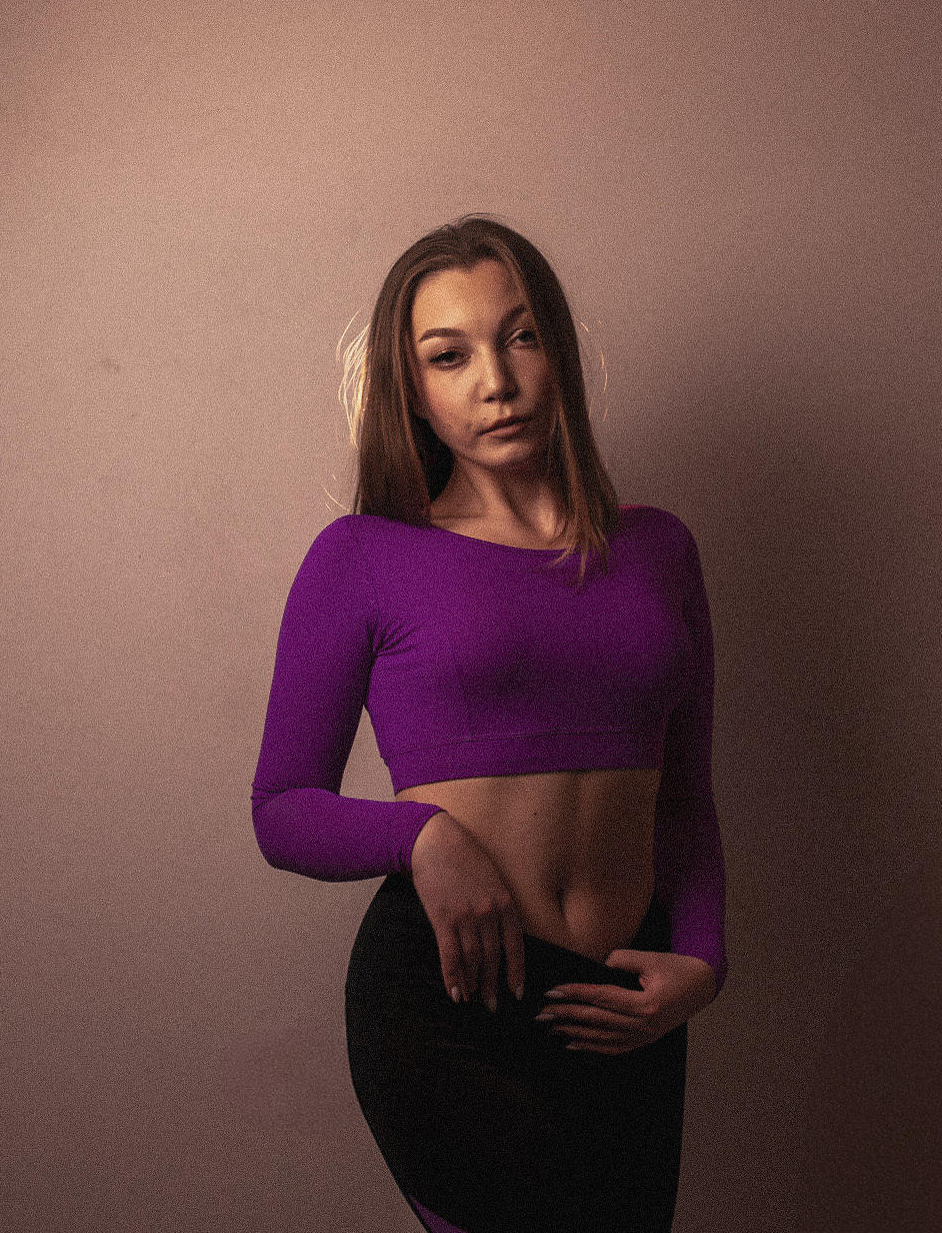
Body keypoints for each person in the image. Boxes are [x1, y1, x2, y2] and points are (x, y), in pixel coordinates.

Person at [250, 216, 728, 1233]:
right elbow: (281, 807)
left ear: (558, 350)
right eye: (449, 355)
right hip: (450, 1003)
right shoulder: (363, 556)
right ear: (412, 388)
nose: (495, 382)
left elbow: (684, 792)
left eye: (520, 337)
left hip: (626, 1012)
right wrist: (421, 837)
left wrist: (701, 957)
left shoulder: (659, 551)